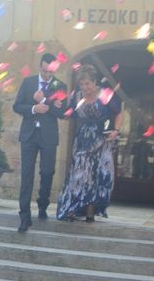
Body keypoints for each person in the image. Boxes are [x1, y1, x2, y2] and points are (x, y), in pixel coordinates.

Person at [56, 65, 123, 223]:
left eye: (87, 84)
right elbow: (69, 113)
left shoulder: (105, 94)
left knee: (98, 175)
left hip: (102, 139)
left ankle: (90, 212)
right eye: (81, 84)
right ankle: (72, 208)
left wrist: (116, 131)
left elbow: (119, 112)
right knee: (79, 175)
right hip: (83, 140)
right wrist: (59, 108)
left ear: (95, 82)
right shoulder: (77, 96)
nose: (84, 87)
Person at [13, 53, 68, 233]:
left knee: (47, 172)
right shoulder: (28, 83)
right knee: (27, 175)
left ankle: (43, 204)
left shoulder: (60, 86)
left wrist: (44, 101)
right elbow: (17, 106)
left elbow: (63, 113)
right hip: (29, 135)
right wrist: (33, 108)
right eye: (43, 71)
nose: (46, 75)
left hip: (48, 136)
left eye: (49, 72)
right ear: (40, 67)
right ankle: (24, 216)